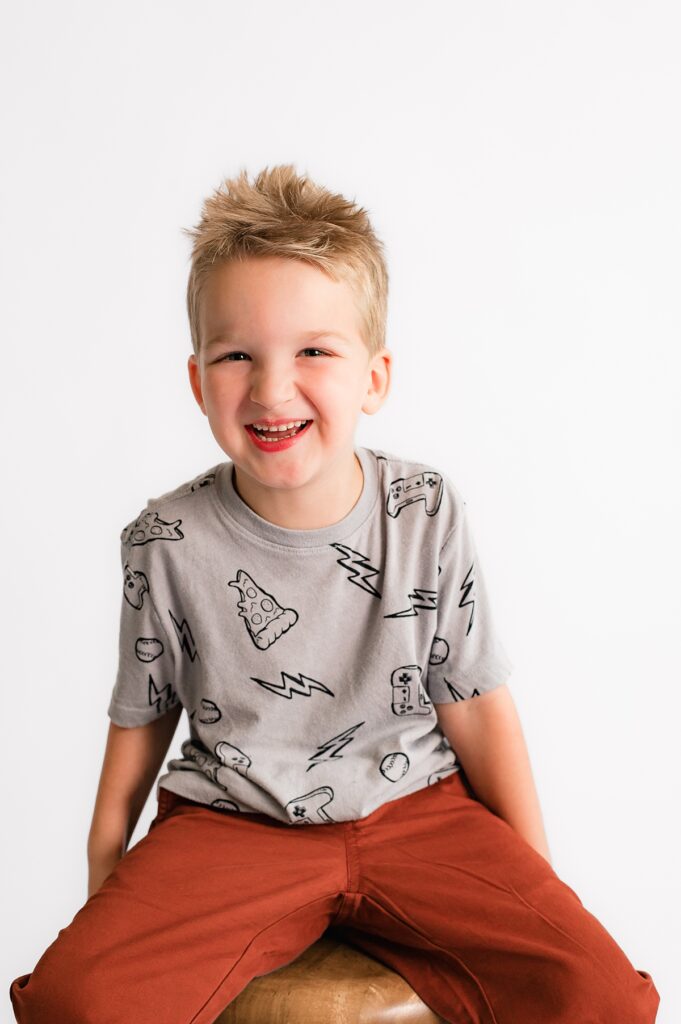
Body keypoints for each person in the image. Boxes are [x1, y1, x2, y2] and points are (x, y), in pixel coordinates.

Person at [9, 164, 659, 1024]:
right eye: (237, 354)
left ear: (373, 377)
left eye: (313, 350)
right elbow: (138, 727)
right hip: (231, 826)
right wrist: (104, 889)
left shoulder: (424, 511)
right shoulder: (164, 540)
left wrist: (537, 887)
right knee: (74, 1000)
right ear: (199, 380)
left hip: (415, 814)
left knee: (598, 995)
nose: (273, 388)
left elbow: (477, 708)